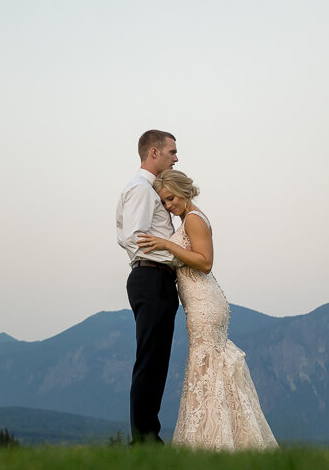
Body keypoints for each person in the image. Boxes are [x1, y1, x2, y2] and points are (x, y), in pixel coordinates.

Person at [137, 170, 277, 450]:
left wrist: (165, 244)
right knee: (209, 369)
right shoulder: (187, 219)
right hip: (199, 303)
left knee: (205, 368)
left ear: (184, 191)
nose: (168, 206)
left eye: (171, 198)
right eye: (164, 202)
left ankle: (214, 441)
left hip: (204, 304)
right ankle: (221, 436)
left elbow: (205, 262)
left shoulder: (194, 219)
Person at [116, 129, 180, 444]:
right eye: (171, 152)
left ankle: (146, 436)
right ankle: (144, 440)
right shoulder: (142, 189)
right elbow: (134, 237)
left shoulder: (149, 190)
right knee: (150, 362)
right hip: (151, 276)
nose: (176, 157)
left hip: (156, 278)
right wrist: (178, 251)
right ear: (153, 153)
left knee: (156, 362)